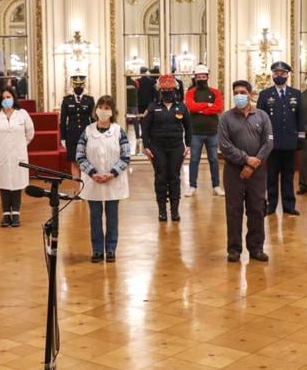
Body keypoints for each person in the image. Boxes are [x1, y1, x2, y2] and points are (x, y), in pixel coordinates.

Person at [219, 80, 274, 262]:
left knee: (257, 209)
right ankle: (234, 249)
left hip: (257, 172)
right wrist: (245, 159)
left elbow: (268, 143)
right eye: (236, 92)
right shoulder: (226, 118)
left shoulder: (262, 116)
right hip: (233, 172)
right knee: (234, 210)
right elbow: (225, 146)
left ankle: (256, 248)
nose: (239, 95)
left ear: (250, 94)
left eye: (242, 92)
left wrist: (252, 164)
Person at [76, 96, 131, 263]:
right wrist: (92, 173)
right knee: (95, 216)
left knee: (112, 216)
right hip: (93, 181)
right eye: (101, 107)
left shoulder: (118, 131)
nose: (103, 111)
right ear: (96, 110)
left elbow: (126, 156)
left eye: (107, 108)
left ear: (112, 112)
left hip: (113, 180)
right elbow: (80, 156)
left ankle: (111, 249)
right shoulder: (87, 131)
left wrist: (112, 173)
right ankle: (97, 250)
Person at [257, 61, 305, 216]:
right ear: (272, 75)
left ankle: (289, 206)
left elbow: (301, 117)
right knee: (271, 176)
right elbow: (260, 119)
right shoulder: (265, 95)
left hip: (290, 142)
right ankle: (271, 205)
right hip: (271, 143)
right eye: (276, 73)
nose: (279, 76)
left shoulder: (296, 94)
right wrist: (261, 139)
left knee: (288, 176)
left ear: (287, 75)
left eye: (282, 73)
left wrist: (301, 137)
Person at [142, 74, 192, 221]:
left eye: (170, 90)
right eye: (164, 90)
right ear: (160, 91)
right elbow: (145, 128)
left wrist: (188, 145)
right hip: (157, 147)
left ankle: (175, 210)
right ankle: (162, 210)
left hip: (177, 147)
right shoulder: (152, 107)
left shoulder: (181, 107)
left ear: (175, 90)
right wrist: (146, 146)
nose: (167, 93)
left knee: (175, 177)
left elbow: (188, 127)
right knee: (161, 177)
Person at [0, 87, 35, 227]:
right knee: (4, 183)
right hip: (1, 154)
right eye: (4, 98)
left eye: (9, 97)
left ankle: (16, 213)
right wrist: (0, 145)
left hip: (18, 154)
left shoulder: (22, 114)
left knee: (17, 183)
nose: (6, 100)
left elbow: (30, 132)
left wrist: (21, 145)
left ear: (14, 98)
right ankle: (6, 214)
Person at [184, 64, 225, 197]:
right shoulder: (190, 93)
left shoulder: (215, 92)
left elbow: (218, 108)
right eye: (199, 77)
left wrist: (201, 110)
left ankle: (216, 186)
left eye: (203, 76)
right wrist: (208, 105)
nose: (201, 78)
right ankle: (192, 186)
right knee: (194, 160)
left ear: (207, 77)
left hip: (212, 132)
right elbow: (191, 107)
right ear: (195, 78)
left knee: (214, 160)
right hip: (195, 132)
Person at [59, 74, 95, 164]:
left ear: (84, 85)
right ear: (72, 85)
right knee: (74, 162)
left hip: (86, 135)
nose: (78, 87)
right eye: (76, 85)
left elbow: (93, 120)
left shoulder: (89, 100)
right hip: (71, 136)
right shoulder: (66, 100)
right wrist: (63, 137)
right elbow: (63, 120)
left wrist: (95, 134)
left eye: (80, 85)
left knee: (86, 161)